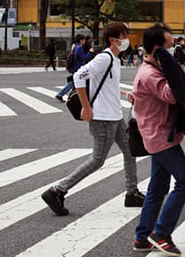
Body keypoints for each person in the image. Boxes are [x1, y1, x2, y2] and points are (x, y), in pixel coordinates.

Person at [42, 23, 144, 216]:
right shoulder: (105, 58)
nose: (127, 39)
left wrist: (124, 93)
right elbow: (79, 76)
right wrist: (86, 108)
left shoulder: (114, 59)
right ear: (114, 39)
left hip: (114, 116)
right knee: (97, 160)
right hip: (102, 118)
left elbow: (106, 85)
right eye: (124, 35)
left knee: (130, 151)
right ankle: (57, 191)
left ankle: (132, 193)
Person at [131, 24, 185, 257]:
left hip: (158, 133)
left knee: (157, 188)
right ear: (157, 48)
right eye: (168, 47)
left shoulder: (152, 68)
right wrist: (174, 67)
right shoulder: (151, 73)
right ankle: (161, 233)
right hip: (159, 137)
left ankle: (142, 236)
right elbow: (172, 94)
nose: (171, 50)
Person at [55, 35, 88, 102]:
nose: (85, 41)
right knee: (74, 82)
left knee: (74, 82)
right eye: (83, 40)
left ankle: (69, 96)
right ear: (81, 40)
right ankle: (60, 94)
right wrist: (90, 53)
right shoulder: (79, 48)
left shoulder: (75, 47)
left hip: (74, 67)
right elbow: (83, 58)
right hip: (77, 67)